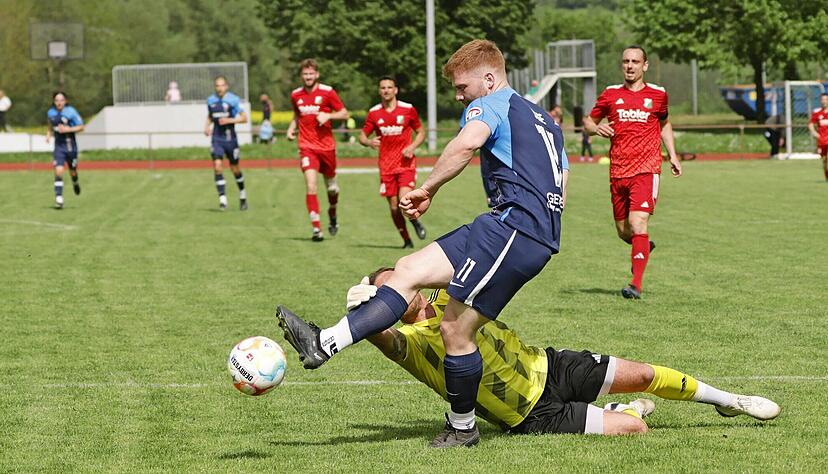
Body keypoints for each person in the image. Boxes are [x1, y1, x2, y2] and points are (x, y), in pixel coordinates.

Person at [277, 40, 567, 448]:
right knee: (409, 269)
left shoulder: (491, 104)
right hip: (507, 225)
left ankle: (462, 428)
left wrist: (427, 187)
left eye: (462, 87)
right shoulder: (544, 119)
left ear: (489, 78)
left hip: (515, 228)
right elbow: (561, 183)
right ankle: (323, 343)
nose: (458, 96)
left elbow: (467, 143)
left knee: (454, 328)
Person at [344, 267, 780, 436]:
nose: (402, 292)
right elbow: (385, 338)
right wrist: (363, 311)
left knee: (646, 374)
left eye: (400, 282)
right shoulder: (411, 345)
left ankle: (729, 401)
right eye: (390, 292)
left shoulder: (446, 295)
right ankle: (627, 411)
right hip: (532, 415)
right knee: (635, 432)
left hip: (550, 365)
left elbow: (466, 261)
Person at [583, 45, 682, 300]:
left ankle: (635, 284)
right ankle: (643, 248)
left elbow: (664, 124)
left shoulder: (658, 95)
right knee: (624, 231)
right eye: (626, 61)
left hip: (647, 169)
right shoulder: (610, 94)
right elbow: (588, 121)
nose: (630, 65)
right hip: (618, 171)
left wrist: (672, 154)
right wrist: (596, 129)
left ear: (644, 66)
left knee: (638, 222)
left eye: (635, 61)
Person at [360, 76, 428, 248]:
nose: (386, 90)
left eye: (389, 87)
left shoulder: (408, 109)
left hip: (406, 165)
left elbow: (421, 132)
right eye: (383, 88)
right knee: (394, 207)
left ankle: (416, 222)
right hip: (386, 167)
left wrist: (412, 147)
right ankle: (406, 240)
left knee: (403, 199)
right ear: (379, 91)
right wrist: (369, 142)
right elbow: (362, 136)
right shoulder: (374, 113)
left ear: (395, 90)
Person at [287, 59, 349, 241]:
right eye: (305, 74)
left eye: (311, 74)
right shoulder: (295, 95)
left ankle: (332, 212)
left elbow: (344, 113)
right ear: (302, 76)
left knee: (332, 189)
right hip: (307, 147)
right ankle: (316, 228)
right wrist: (292, 128)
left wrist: (329, 115)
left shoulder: (328, 92)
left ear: (317, 74)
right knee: (311, 185)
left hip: (327, 147)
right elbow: (297, 115)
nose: (308, 77)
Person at [204, 76, 248, 211]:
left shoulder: (233, 100)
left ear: (226, 86)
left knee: (235, 168)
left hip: (230, 140)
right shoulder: (211, 100)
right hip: (217, 139)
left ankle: (242, 194)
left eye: (222, 85)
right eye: (217, 86)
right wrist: (207, 126)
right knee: (217, 166)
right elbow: (211, 116)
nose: (219, 88)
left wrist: (229, 120)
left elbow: (244, 118)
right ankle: (222, 199)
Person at [46, 92, 84, 209]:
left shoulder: (71, 112)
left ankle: (75, 182)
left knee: (73, 171)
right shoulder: (51, 112)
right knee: (58, 171)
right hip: (59, 147)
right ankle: (59, 197)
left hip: (70, 146)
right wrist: (48, 134)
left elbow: (81, 127)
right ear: (53, 101)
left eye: (61, 100)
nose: (59, 102)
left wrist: (69, 129)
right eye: (57, 100)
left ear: (65, 101)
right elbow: (50, 125)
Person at [807, 93, 828, 181]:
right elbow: (811, 124)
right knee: (824, 161)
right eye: (822, 99)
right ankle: (827, 176)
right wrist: (814, 133)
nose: (824, 101)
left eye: (825, 99)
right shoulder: (817, 113)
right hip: (822, 140)